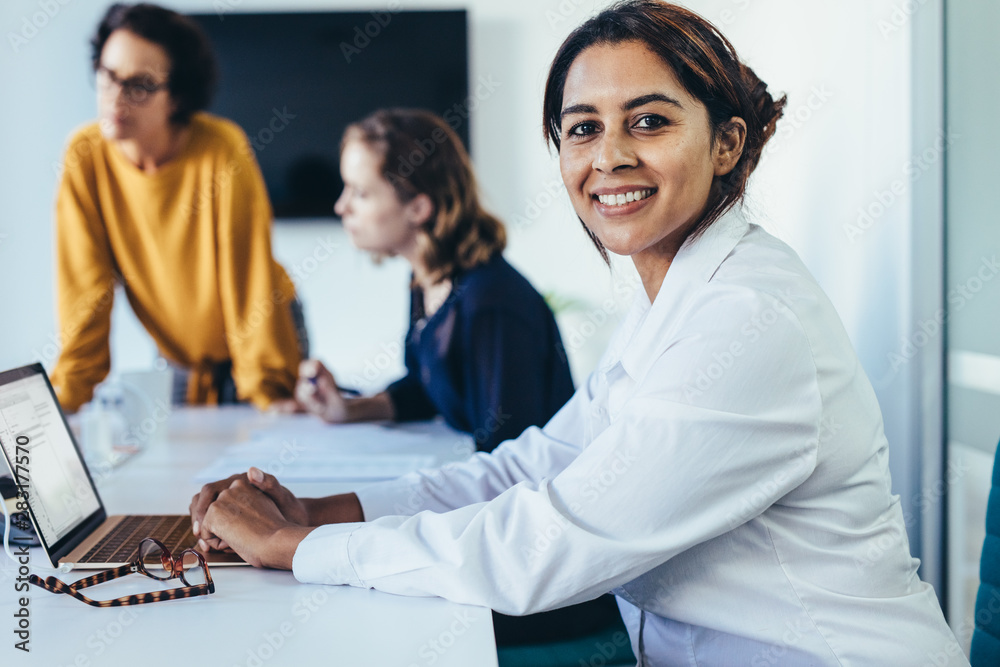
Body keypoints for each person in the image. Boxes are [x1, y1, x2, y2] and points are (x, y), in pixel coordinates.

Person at [190, 2, 966, 664]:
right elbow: (531, 468)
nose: (610, 156)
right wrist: (323, 511)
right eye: (582, 128)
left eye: (650, 121)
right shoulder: (673, 301)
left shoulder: (748, 319)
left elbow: (551, 541)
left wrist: (295, 549)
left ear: (727, 143)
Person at [50, 3, 303, 412]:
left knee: (260, 456)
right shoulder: (85, 156)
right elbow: (85, 289)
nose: (117, 98)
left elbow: (248, 276)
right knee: (187, 461)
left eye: (140, 85)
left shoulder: (221, 149)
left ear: (177, 97)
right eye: (108, 77)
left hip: (264, 336)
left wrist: (268, 390)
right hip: (177, 350)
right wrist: (67, 397)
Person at [290, 109, 575, 454]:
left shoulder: (490, 303)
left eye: (360, 193)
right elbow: (426, 390)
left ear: (418, 207)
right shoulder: (427, 279)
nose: (341, 207)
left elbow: (510, 453)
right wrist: (347, 409)